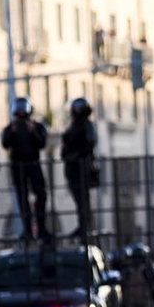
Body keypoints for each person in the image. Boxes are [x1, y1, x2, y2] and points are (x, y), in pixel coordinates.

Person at [1, 96, 50, 241]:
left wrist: (33, 131)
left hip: (33, 164)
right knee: (22, 199)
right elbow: (5, 143)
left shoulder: (36, 126)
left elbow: (42, 143)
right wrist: (12, 131)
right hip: (18, 167)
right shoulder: (10, 127)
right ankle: (27, 230)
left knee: (41, 195)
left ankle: (41, 228)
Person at [60, 97, 98, 239]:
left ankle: (84, 227)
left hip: (82, 167)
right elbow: (67, 144)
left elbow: (88, 145)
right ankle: (82, 226)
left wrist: (76, 156)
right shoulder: (74, 126)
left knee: (83, 199)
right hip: (73, 168)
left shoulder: (87, 126)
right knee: (79, 198)